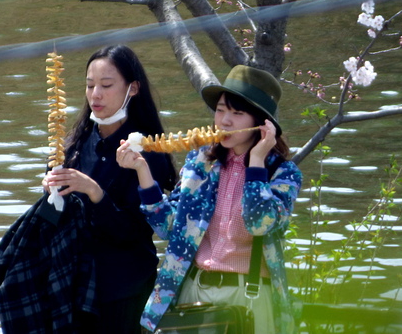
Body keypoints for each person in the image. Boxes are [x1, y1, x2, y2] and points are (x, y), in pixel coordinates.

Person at [117, 65, 302, 334]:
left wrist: (257, 162)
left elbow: (259, 224)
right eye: (221, 110)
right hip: (194, 290)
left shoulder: (283, 173)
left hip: (248, 294)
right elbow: (169, 228)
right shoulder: (200, 163)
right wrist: (142, 171)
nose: (225, 121)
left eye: (237, 114)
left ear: (262, 123)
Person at [42, 44, 178, 333]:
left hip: (123, 288)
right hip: (74, 283)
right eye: (90, 85)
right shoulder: (71, 146)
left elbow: (134, 231)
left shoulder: (147, 151)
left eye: (106, 85)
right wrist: (49, 193)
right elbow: (52, 223)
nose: (96, 95)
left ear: (133, 88)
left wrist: (95, 193)